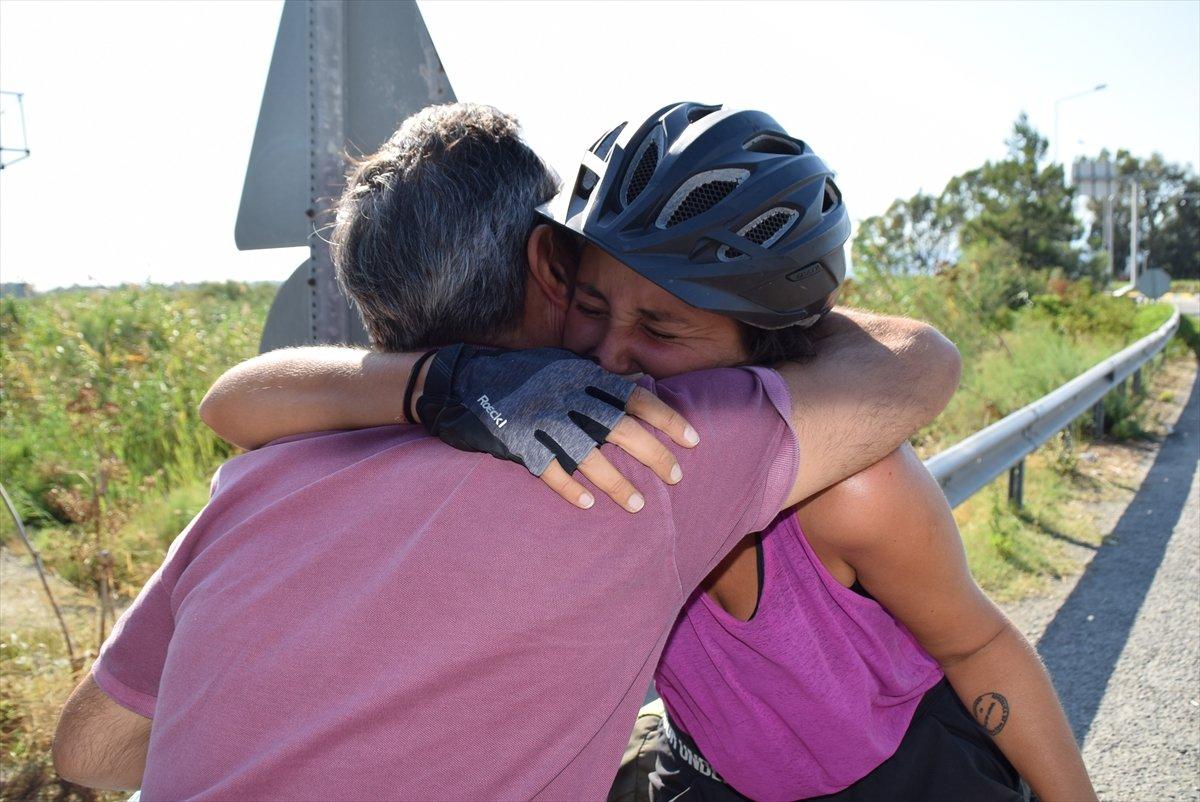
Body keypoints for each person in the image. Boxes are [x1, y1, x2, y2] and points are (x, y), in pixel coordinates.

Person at [52, 103, 960, 801]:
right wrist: (736, 289)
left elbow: (87, 751)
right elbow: (916, 365)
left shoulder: (261, 478)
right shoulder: (640, 452)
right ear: (549, 263)